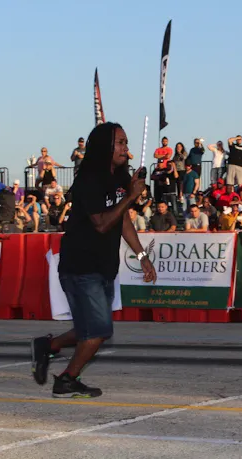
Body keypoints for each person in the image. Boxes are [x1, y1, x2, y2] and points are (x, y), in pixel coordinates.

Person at [30, 122, 156, 398]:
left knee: (90, 328)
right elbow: (101, 223)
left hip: (104, 265)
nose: (126, 148)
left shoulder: (119, 178)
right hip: (81, 265)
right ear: (104, 146)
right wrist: (130, 197)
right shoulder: (89, 179)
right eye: (120, 143)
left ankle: (49, 346)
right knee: (99, 330)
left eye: (126, 143)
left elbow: (122, 220)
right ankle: (67, 379)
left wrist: (142, 255)